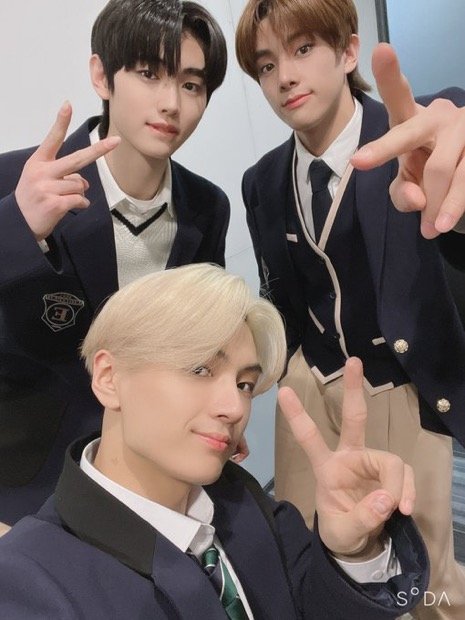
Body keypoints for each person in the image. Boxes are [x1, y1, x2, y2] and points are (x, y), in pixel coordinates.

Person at [0, 263, 427, 619]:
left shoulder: (243, 499)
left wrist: (353, 550)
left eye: (245, 384)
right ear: (110, 378)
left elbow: (314, 603)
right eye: (199, 369)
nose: (235, 407)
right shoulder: (29, 581)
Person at [235, 1, 465, 618]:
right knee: (308, 549)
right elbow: (280, 296)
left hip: (400, 385)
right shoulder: (261, 181)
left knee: (426, 580)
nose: (285, 76)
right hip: (309, 383)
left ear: (348, 51)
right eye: (266, 64)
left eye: (303, 48)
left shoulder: (415, 131)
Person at [0, 0, 229, 526]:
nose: (171, 103)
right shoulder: (19, 180)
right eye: (149, 74)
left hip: (147, 476)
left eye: (192, 85)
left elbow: (199, 338)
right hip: (24, 484)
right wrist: (17, 226)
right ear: (102, 75)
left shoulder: (206, 207)